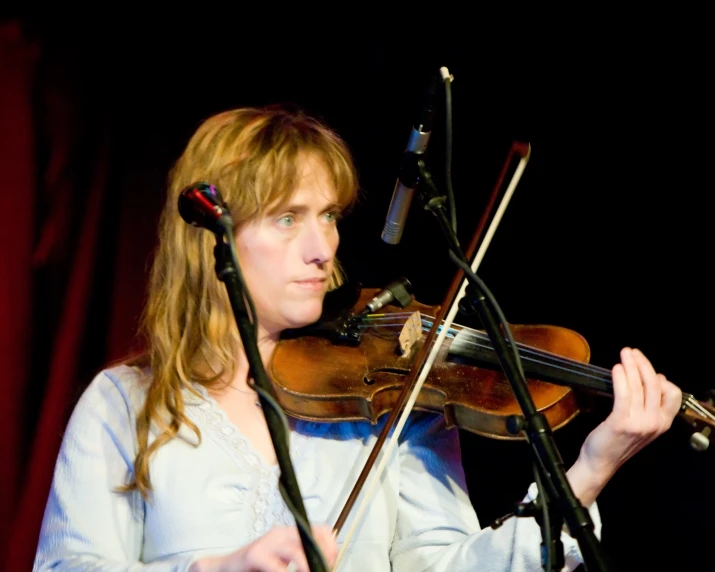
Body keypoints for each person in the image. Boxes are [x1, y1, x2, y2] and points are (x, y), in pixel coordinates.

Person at [33, 105, 683, 572]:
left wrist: (588, 471)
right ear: (212, 235)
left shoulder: (389, 400)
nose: (323, 250)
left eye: (327, 217)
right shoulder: (124, 404)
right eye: (288, 218)